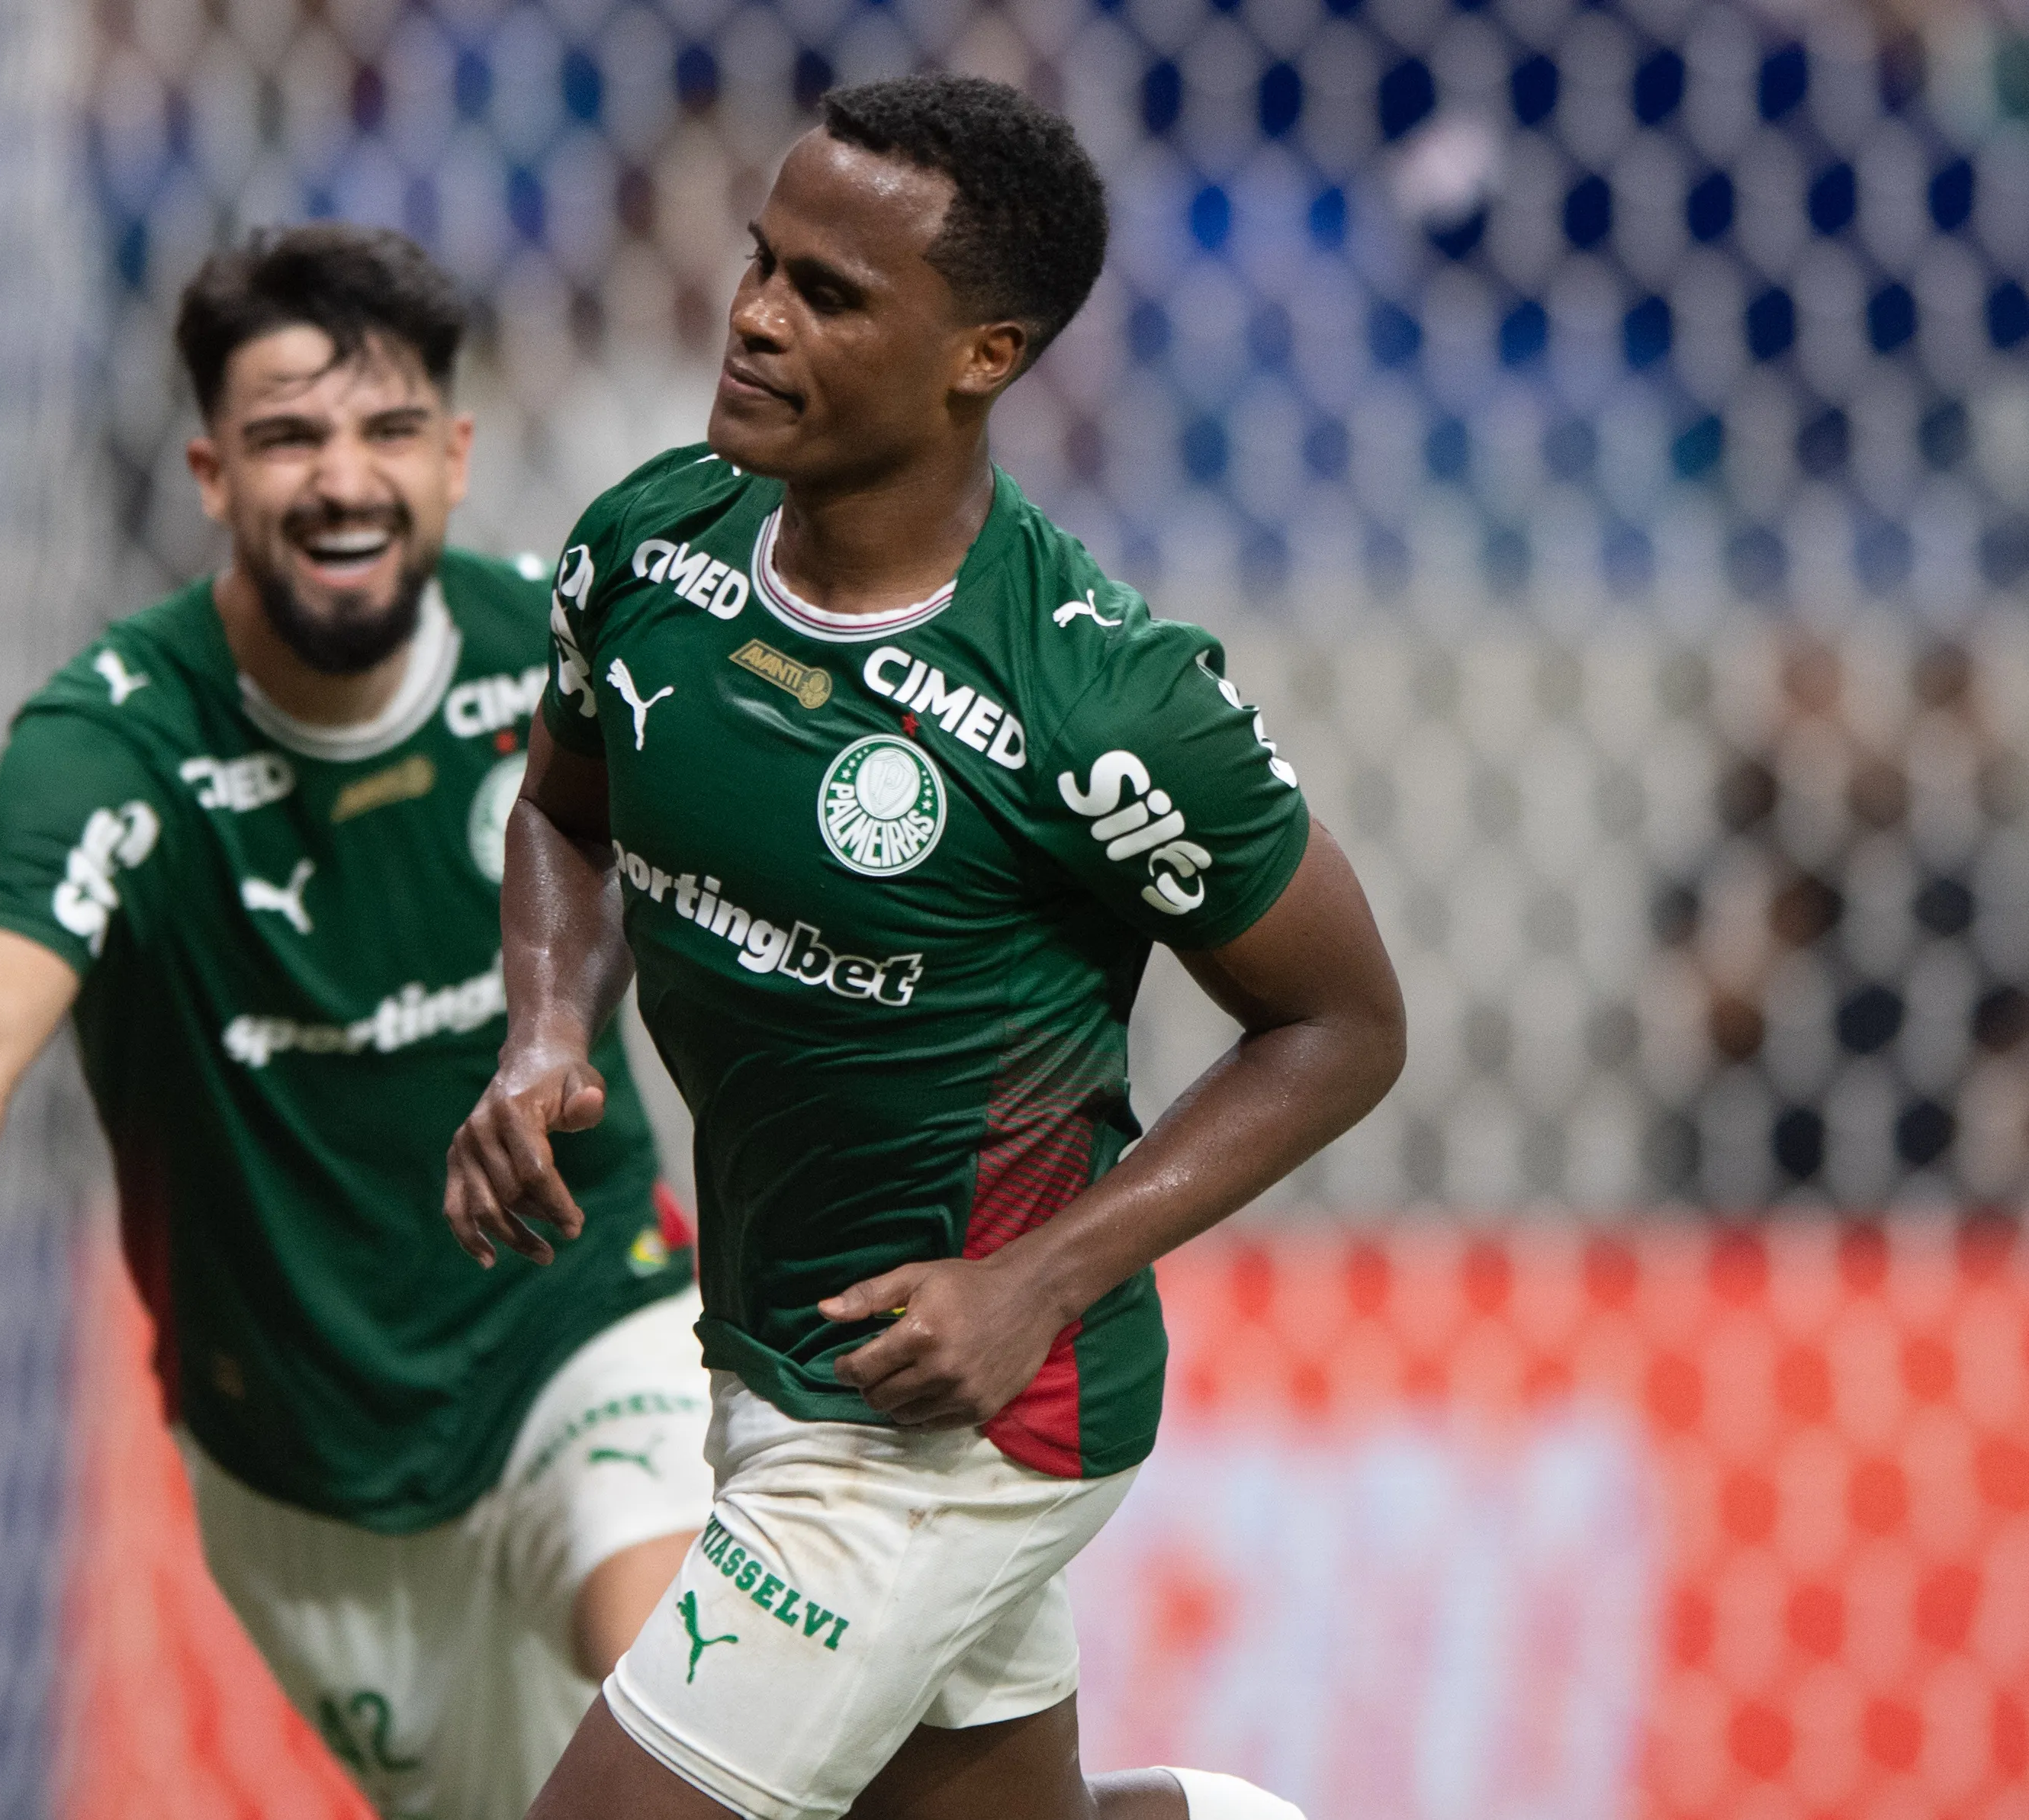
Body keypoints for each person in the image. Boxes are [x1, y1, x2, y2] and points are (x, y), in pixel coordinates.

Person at [446, 75, 1405, 1820]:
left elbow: (1343, 1028)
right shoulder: (649, 546)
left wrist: (1040, 1275)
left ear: (986, 355)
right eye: (762, 261)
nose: (752, 315)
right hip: (765, 1349)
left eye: (829, 293)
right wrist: (544, 1031)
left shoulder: (1101, 698)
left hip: (965, 1413)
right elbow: (565, 815)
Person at [0, 224, 715, 1820]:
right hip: (303, 1457)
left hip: (583, 1324)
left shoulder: (569, 666)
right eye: (288, 437)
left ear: (456, 458)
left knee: (688, 1725)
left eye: (390, 430)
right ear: (209, 472)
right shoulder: (112, 734)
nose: (344, 479)